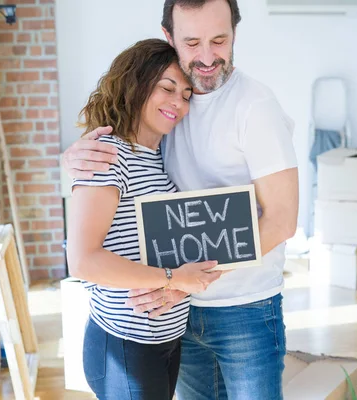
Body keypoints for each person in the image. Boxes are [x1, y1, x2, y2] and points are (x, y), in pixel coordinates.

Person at [63, 0, 299, 398]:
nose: (207, 56)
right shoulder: (155, 132)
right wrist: (71, 159)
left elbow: (281, 221)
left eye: (219, 40)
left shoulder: (254, 107)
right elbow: (112, 176)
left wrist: (184, 283)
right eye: (192, 42)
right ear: (169, 39)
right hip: (174, 317)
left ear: (235, 35)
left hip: (243, 310)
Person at [66, 38, 223, 400]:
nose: (178, 104)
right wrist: (173, 278)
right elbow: (83, 260)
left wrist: (181, 281)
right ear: (135, 85)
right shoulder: (107, 155)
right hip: (125, 344)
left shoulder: (157, 156)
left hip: (164, 338)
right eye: (167, 88)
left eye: (185, 95)